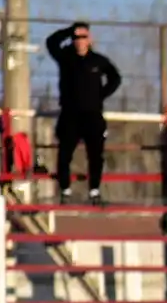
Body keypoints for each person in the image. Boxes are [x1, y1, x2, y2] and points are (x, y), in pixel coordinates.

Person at [46, 21, 122, 205]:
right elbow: (51, 42)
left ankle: (94, 191)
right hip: (70, 115)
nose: (80, 41)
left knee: (96, 155)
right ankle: (65, 190)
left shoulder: (98, 60)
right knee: (65, 154)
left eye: (83, 37)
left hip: (92, 115)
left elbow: (115, 78)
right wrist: (70, 30)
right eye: (76, 37)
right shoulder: (65, 57)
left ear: (90, 39)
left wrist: (100, 95)